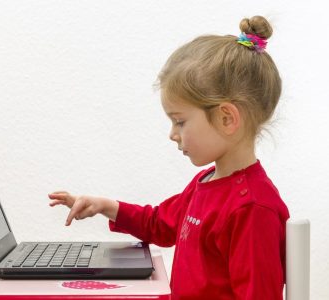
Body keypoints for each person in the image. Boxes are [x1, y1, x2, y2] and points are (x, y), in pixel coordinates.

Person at [48, 15, 289, 300]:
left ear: (226, 118)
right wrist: (106, 206)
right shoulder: (207, 181)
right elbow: (160, 224)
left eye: (180, 122)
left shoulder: (251, 208)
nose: (172, 134)